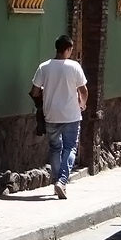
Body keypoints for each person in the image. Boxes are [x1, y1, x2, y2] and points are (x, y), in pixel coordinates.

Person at [30, 35, 88, 200]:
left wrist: (43, 100)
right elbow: (83, 90)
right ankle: (62, 181)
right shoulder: (74, 66)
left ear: (57, 48)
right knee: (70, 148)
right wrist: (82, 105)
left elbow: (34, 91)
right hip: (71, 115)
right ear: (68, 49)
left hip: (51, 115)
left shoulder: (44, 67)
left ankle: (56, 181)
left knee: (55, 148)